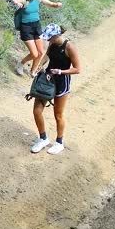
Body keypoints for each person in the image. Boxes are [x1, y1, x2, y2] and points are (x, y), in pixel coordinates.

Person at [29, 24, 81, 155]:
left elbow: (77, 69)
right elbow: (46, 56)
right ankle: (43, 139)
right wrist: (39, 66)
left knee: (58, 115)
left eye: (50, 38)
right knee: (37, 111)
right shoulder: (52, 45)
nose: (48, 40)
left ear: (57, 35)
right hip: (47, 80)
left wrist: (60, 71)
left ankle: (59, 142)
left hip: (62, 82)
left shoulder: (69, 47)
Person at [11, 0, 63, 77]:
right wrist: (17, 3)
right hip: (26, 28)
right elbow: (16, 0)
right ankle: (21, 64)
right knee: (34, 54)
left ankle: (33, 71)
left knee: (41, 52)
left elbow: (50, 4)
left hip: (36, 26)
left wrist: (57, 5)